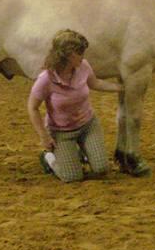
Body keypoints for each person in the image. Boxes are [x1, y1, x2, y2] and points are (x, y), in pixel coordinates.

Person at [27, 29, 123, 183]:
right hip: (61, 132)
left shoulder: (83, 66)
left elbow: (95, 83)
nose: (83, 57)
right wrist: (44, 136)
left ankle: (79, 152)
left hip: (87, 125)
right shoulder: (45, 79)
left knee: (101, 169)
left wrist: (121, 88)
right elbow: (32, 108)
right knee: (71, 177)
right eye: (80, 53)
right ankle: (48, 158)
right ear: (68, 55)